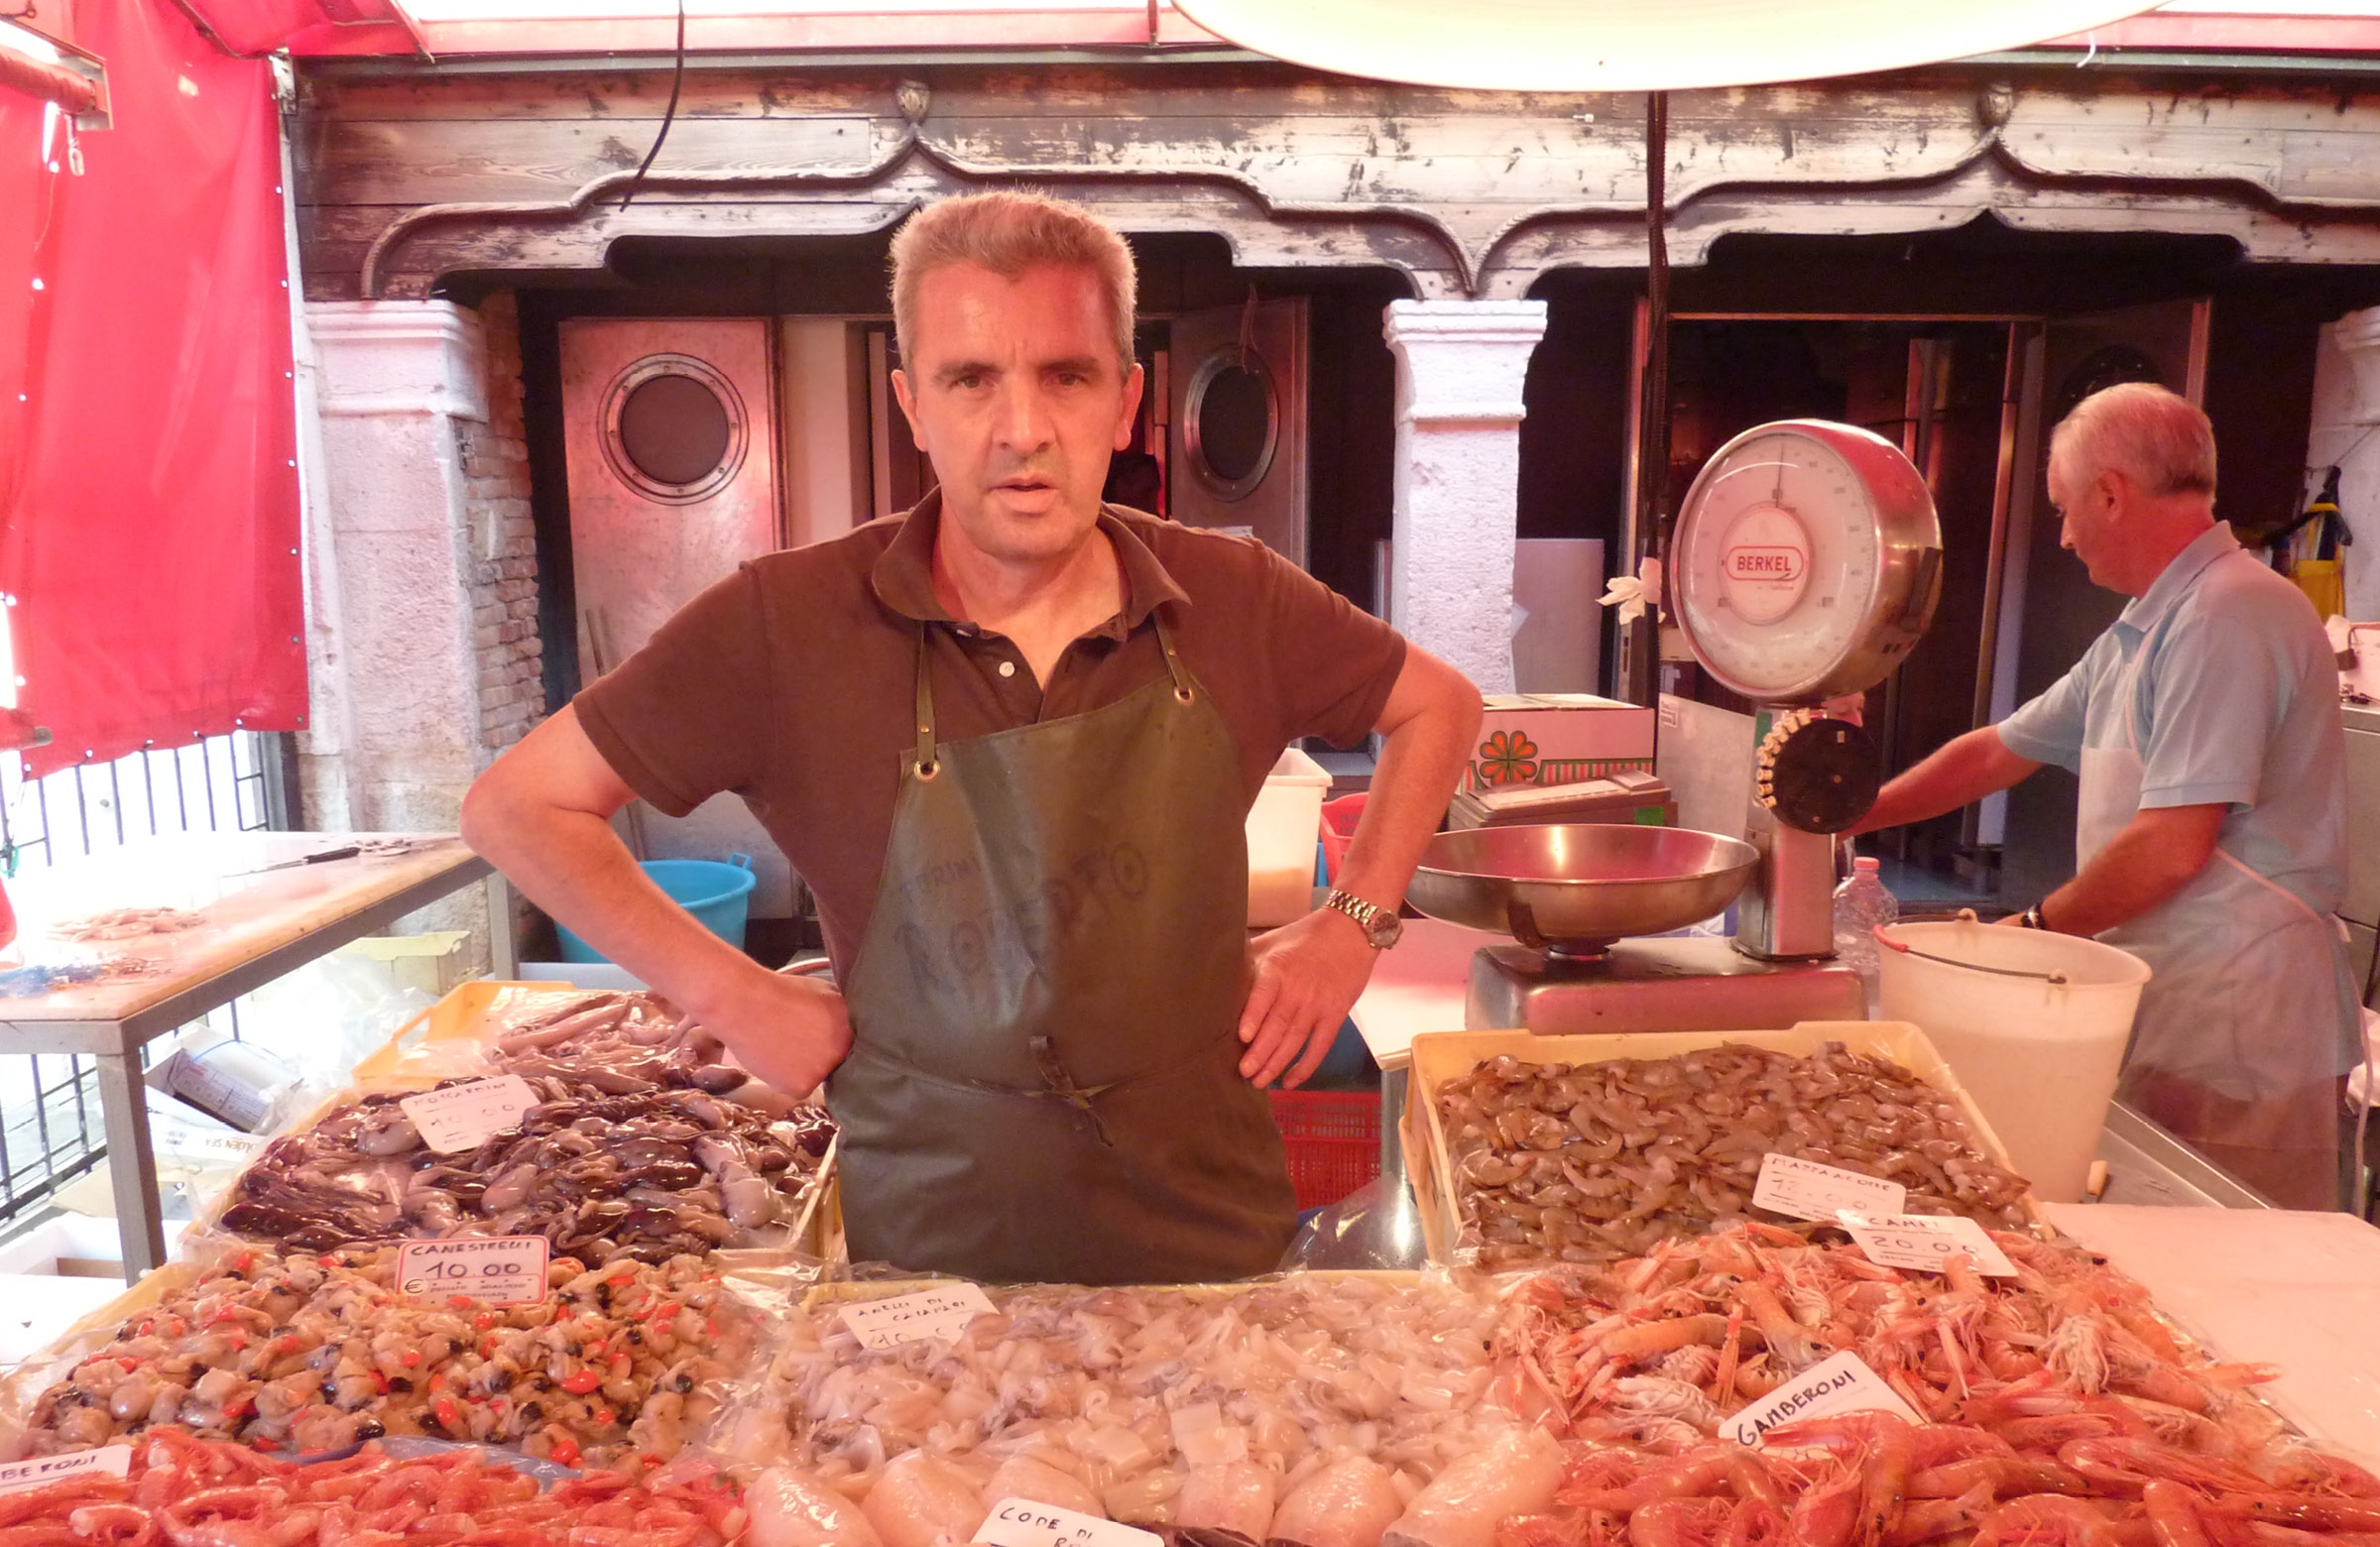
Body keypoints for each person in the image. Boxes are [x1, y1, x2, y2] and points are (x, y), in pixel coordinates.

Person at [460, 190, 1482, 1282]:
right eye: (970, 379)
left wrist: (1352, 924)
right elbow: (517, 807)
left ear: (1127, 402)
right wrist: (734, 995)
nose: (1022, 430)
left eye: (1067, 376)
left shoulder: (1236, 598)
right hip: (925, 1252)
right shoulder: (785, 623)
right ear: (912, 403)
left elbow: (1441, 707)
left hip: (1208, 1234)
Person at [1852, 382, 2358, 1210]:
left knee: (2238, 1266)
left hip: (2238, 1026)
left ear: (2111, 493)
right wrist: (1854, 811)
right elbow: (1999, 750)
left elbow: (2171, 846)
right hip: (2169, 1002)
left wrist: (2029, 940)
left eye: (2062, 509)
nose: (2062, 536)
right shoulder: (2146, 625)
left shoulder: (2230, 614)